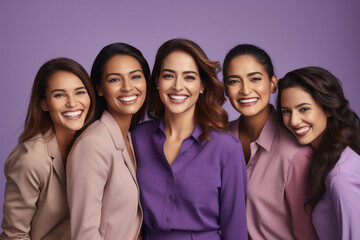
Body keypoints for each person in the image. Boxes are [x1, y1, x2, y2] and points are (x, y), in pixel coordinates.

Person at [131, 38, 247, 240]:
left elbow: (235, 228)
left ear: (202, 85)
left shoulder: (227, 148)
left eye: (189, 77)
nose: (177, 86)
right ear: (157, 81)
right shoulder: (136, 139)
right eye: (168, 76)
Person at [223, 44, 318, 239]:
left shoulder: (296, 155)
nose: (245, 90)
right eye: (234, 81)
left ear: (273, 84)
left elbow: (306, 233)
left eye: (255, 79)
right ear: (225, 88)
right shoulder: (218, 139)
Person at [0, 57, 95, 240]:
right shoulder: (30, 159)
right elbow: (14, 236)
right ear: (43, 103)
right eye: (59, 95)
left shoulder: (93, 144)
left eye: (80, 92)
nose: (72, 103)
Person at [67, 43, 150, 240]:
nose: (127, 87)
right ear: (99, 89)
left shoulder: (130, 137)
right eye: (114, 79)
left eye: (135, 76)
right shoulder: (92, 144)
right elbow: (85, 235)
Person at [277, 66, 360, 240]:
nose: (294, 120)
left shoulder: (340, 176)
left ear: (328, 108)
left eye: (304, 109)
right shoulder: (331, 160)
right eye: (286, 111)